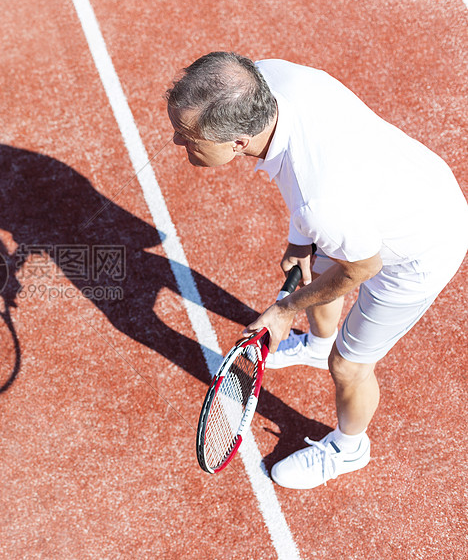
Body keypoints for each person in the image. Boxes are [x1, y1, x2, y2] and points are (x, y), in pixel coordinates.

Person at [165, 51, 468, 489]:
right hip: (389, 191)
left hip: (420, 247)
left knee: (348, 366)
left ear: (237, 141)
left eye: (187, 136)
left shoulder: (322, 198)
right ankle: (316, 344)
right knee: (309, 265)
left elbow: (361, 267)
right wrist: (299, 241)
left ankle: (350, 449)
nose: (178, 143)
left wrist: (285, 310)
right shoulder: (267, 80)